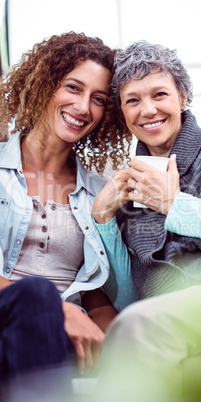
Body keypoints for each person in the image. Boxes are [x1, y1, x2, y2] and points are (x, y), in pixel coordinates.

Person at [91, 41, 201, 401]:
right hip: (173, 311)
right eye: (133, 100)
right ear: (123, 112)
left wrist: (174, 205)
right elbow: (128, 297)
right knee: (133, 325)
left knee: (139, 328)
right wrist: (105, 220)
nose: (148, 109)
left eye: (159, 94)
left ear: (183, 96)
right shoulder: (126, 186)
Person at [0, 32, 138, 401]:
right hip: (10, 313)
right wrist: (57, 307)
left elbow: (94, 294)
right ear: (45, 85)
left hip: (59, 339)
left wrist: (122, 341)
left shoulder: (99, 192)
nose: (82, 107)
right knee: (36, 295)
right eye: (73, 88)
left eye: (98, 99)